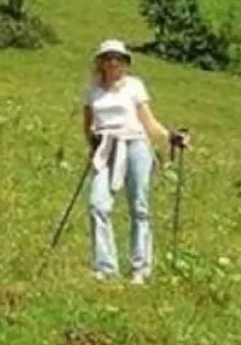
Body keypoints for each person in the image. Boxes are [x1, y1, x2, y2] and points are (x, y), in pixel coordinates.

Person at [81, 39, 188, 285]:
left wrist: (171, 136)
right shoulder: (93, 90)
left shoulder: (134, 87)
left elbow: (148, 121)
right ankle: (106, 268)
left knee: (139, 206)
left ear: (125, 63)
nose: (113, 62)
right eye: (108, 58)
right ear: (101, 62)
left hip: (135, 145)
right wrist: (92, 144)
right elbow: (87, 124)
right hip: (106, 148)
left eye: (118, 58)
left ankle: (141, 268)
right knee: (98, 205)